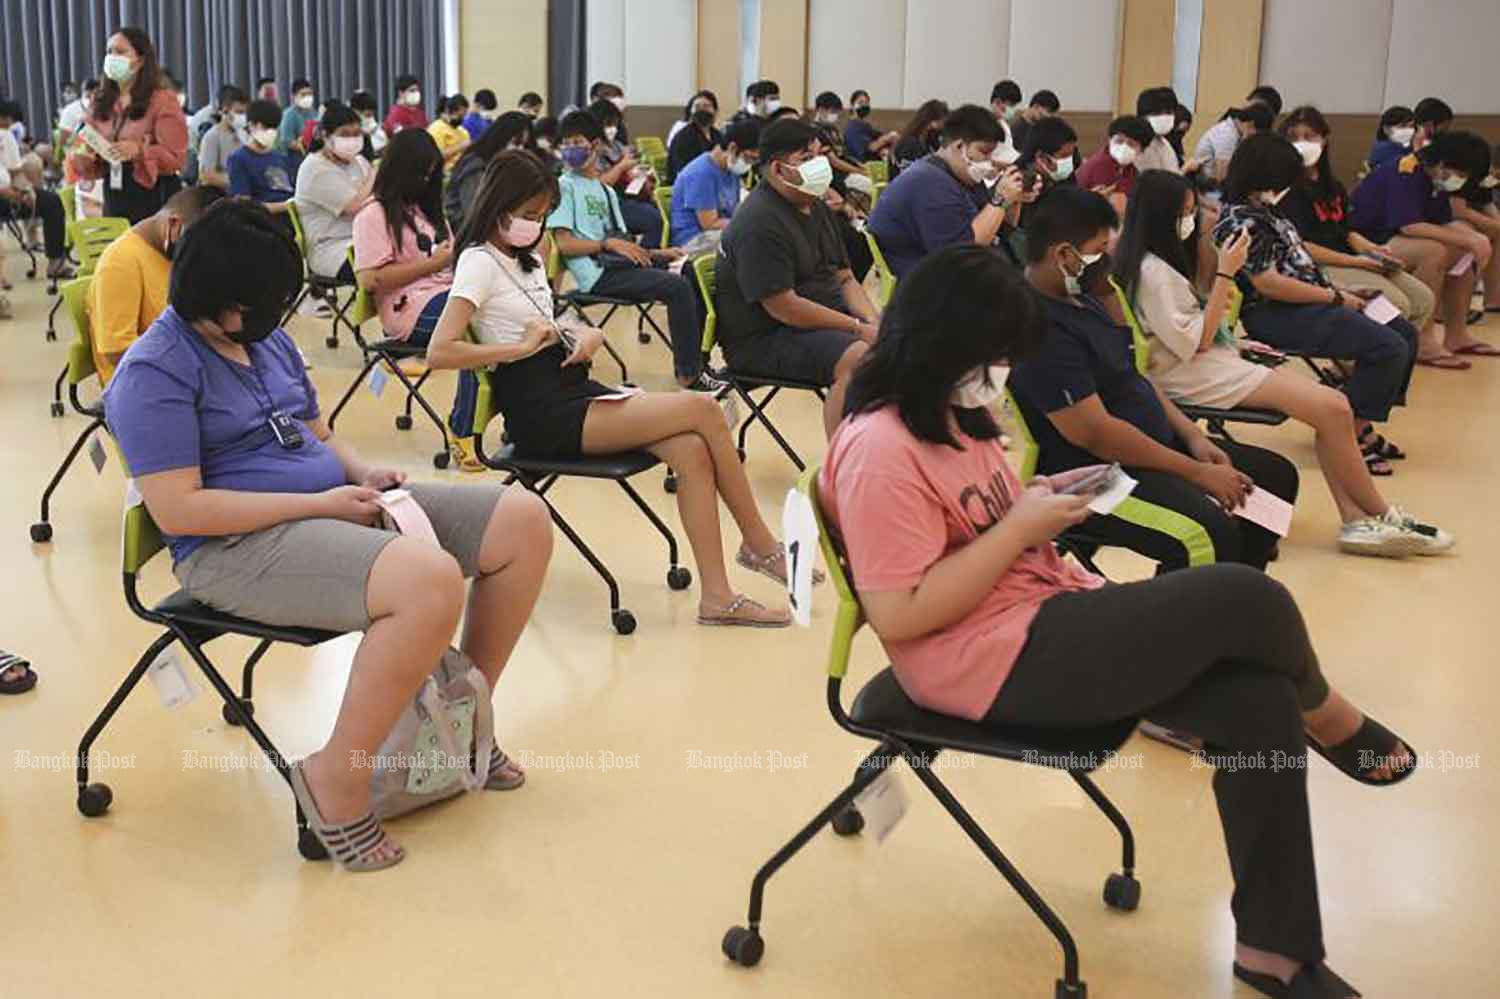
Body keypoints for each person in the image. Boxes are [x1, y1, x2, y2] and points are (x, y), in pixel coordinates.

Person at [824, 240, 1412, 999]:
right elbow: (898, 615)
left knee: (1257, 704)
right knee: (1246, 597)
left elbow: (987, 524)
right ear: (946, 344)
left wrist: (1036, 503)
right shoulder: (879, 448)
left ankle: (1275, 949)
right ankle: (1330, 718)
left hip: (1039, 616)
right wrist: (1017, 529)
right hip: (976, 661)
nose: (1003, 375)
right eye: (995, 356)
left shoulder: (955, 414)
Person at [103, 198, 552, 872]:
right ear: (217, 300)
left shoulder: (265, 340)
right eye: (255, 309)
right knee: (428, 582)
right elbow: (181, 512)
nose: (269, 321)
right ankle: (336, 779)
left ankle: (454, 730)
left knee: (522, 521)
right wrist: (320, 503)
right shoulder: (154, 371)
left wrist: (362, 472)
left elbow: (317, 433)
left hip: (326, 508)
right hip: (231, 550)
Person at [428, 150, 801, 629]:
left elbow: (546, 320)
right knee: (704, 411)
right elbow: (441, 350)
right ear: (498, 206)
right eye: (528, 216)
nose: (536, 226)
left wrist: (586, 334)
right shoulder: (478, 262)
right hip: (542, 411)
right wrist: (516, 350)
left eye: (542, 217)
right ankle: (760, 544)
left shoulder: (525, 260)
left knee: (690, 449)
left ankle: (718, 597)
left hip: (571, 387)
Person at [1115, 170, 1451, 555]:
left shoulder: (1155, 260)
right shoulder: (1154, 272)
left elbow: (1201, 329)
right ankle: (1377, 514)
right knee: (1333, 406)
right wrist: (1226, 271)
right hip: (1193, 372)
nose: (1195, 221)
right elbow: (1199, 339)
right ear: (1162, 216)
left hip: (1207, 360)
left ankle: (1359, 520)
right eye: (1187, 213)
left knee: (1334, 408)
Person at [1009, 187, 1300, 572]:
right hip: (1091, 477)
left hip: (1149, 448)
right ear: (1064, 255)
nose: (1110, 260)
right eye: (1101, 249)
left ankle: (1235, 596)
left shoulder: (1084, 295)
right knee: (1206, 534)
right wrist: (1196, 472)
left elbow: (1135, 378)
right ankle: (1182, 623)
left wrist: (1193, 437)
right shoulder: (1038, 329)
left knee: (1276, 478)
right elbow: (1094, 433)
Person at [1215, 134, 1421, 473]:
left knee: (1404, 332)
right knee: (1388, 347)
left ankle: (1359, 423)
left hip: (1313, 300)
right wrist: (1336, 297)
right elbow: (1269, 284)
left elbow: (1300, 267)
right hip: (1277, 314)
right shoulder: (1242, 220)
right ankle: (1348, 436)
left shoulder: (1269, 212)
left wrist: (1342, 288)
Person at [715, 119, 880, 436]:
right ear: (778, 169)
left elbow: (845, 277)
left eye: (819, 155)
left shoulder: (812, 205)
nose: (820, 165)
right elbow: (783, 306)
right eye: (807, 159)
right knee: (859, 357)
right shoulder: (758, 222)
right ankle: (842, 470)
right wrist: (858, 328)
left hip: (819, 322)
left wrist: (872, 321)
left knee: (905, 337)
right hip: (766, 337)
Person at [547, 111, 713, 392]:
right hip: (597, 274)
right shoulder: (564, 187)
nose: (569, 149)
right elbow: (562, 244)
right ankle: (689, 374)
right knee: (676, 287)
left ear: (595, 145)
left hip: (616, 265)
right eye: (565, 144)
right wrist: (605, 244)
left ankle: (700, 362)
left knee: (688, 270)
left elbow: (622, 243)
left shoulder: (605, 191)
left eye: (577, 142)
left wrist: (660, 253)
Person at [1278, 105, 1440, 369]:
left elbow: (1347, 231)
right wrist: (1358, 262)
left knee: (1423, 299)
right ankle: (1356, 367)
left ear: (1325, 139)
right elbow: (1302, 247)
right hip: (1317, 265)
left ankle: (1385, 364)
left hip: (1349, 258)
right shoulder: (1286, 189)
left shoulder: (1334, 186)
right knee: (1396, 304)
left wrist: (1374, 251)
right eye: (1294, 137)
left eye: (1309, 136)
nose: (1302, 144)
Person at [1350, 129, 1495, 363]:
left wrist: (1476, 240)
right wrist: (1469, 238)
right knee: (1434, 252)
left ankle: (1457, 335)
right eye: (1461, 172)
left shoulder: (1437, 180)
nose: (1461, 179)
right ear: (1443, 162)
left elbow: (1442, 222)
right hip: (1367, 243)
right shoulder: (1406, 171)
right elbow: (1410, 226)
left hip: (1393, 239)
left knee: (1464, 251)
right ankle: (1423, 339)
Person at [866, 104, 1024, 280]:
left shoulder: (963, 177)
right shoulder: (929, 183)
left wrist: (1015, 199)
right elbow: (964, 254)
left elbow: (999, 230)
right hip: (925, 279)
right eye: (984, 153)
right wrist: (999, 200)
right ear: (959, 147)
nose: (989, 162)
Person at [91, 184, 224, 383]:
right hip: (145, 380)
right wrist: (192, 364)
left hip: (186, 365)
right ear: (174, 225)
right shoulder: (120, 261)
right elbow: (117, 351)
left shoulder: (177, 256)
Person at [67, 26, 188, 223]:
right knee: (120, 251)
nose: (112, 57)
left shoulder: (163, 101)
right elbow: (82, 143)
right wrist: (83, 158)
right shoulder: (100, 101)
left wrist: (140, 150)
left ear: (140, 60)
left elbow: (176, 159)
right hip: (115, 191)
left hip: (155, 194)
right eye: (109, 52)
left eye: (120, 51)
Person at [351, 129, 452, 347]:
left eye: (429, 176)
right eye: (421, 175)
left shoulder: (425, 209)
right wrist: (431, 265)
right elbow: (371, 280)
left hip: (445, 291)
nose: (425, 182)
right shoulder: (373, 215)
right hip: (407, 309)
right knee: (481, 313)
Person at [294, 103, 374, 281]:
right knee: (386, 267)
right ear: (325, 136)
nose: (352, 140)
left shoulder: (359, 161)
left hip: (364, 239)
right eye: (345, 134)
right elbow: (354, 206)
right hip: (333, 249)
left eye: (356, 134)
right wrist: (374, 176)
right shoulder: (315, 168)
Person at [0, 102, 72, 281]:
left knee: (52, 201)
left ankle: (56, 263)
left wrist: (26, 191)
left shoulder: (5, 137)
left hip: (10, 194)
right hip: (5, 194)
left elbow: (16, 172)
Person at [669, 118, 759, 248]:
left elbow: (736, 208)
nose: (750, 164)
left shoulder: (730, 169)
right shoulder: (701, 173)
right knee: (751, 241)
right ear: (732, 148)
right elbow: (710, 224)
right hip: (693, 239)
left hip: (718, 232)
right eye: (750, 158)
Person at [583, 99, 661, 248]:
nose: (612, 128)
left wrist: (641, 176)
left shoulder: (616, 145)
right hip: (607, 204)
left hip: (625, 196)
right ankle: (644, 257)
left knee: (658, 210)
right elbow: (599, 184)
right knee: (653, 219)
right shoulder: (591, 150)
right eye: (608, 124)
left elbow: (628, 175)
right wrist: (621, 166)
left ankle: (646, 253)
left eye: (614, 124)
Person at [446, 111, 533, 238]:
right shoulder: (475, 166)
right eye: (516, 143)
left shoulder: (503, 166)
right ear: (501, 137)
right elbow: (475, 215)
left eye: (524, 145)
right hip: (467, 236)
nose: (520, 150)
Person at [1447, 133, 1500, 318]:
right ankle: (1459, 304)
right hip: (1449, 220)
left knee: (1495, 234)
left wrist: (1497, 225)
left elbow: (1488, 205)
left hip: (1466, 218)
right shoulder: (1460, 175)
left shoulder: (1483, 178)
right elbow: (1458, 210)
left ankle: (1494, 299)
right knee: (1477, 240)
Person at [228, 100, 299, 225]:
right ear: (251, 126)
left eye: (274, 128)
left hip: (291, 218)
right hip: (263, 224)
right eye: (265, 127)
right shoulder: (239, 159)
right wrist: (285, 206)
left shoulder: (280, 157)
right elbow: (244, 207)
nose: (271, 132)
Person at [1075, 115, 1153, 207]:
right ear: (1109, 140)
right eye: (1119, 141)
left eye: (1131, 144)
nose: (1124, 147)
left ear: (1142, 150)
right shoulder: (1100, 164)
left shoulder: (1130, 169)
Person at [1192, 103, 1274, 182]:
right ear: (1251, 124)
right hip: (1208, 188)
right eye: (1257, 135)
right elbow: (1221, 176)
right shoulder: (1227, 134)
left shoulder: (1235, 131)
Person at [196, 86, 249, 190]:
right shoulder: (212, 137)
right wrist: (238, 183)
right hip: (222, 195)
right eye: (239, 112)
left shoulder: (245, 134)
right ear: (224, 111)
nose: (243, 117)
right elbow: (207, 175)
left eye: (245, 112)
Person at [667, 90, 721, 183]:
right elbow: (685, 172)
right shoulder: (683, 137)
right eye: (697, 107)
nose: (701, 110)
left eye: (706, 106)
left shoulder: (718, 135)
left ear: (715, 111)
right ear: (691, 112)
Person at [1135, 86, 1190, 174]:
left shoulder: (1164, 143)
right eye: (1157, 113)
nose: (1164, 117)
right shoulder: (1138, 145)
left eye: (1169, 113)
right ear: (1143, 115)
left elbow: (1173, 175)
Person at [890, 99, 949, 177]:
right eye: (942, 120)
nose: (944, 124)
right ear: (932, 121)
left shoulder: (930, 140)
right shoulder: (909, 144)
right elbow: (910, 174)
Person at [844, 89, 897, 163]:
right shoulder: (853, 127)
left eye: (866, 102)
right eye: (860, 102)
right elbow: (868, 148)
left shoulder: (865, 125)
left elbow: (879, 137)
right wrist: (887, 138)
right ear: (852, 106)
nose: (864, 105)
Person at [1006, 88, 1060, 153]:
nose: (1048, 117)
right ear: (1036, 106)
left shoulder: (1040, 127)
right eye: (1048, 112)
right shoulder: (1015, 127)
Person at [428, 94, 472, 169]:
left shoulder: (462, 131)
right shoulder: (437, 128)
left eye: (464, 116)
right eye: (460, 116)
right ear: (448, 111)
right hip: (446, 172)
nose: (462, 119)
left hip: (464, 170)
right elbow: (436, 158)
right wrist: (459, 147)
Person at [278, 78, 318, 155]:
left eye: (310, 94)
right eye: (303, 94)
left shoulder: (313, 112)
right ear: (294, 96)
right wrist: (306, 148)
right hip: (293, 158)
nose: (307, 98)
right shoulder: (289, 114)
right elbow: (287, 142)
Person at [57, 78, 99, 147]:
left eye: (96, 97)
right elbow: (62, 141)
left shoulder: (107, 108)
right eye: (88, 96)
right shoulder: (70, 110)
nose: (92, 100)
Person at [350, 90, 389, 158]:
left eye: (372, 115)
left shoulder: (371, 122)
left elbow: (381, 140)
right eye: (367, 115)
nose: (370, 118)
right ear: (356, 111)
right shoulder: (347, 131)